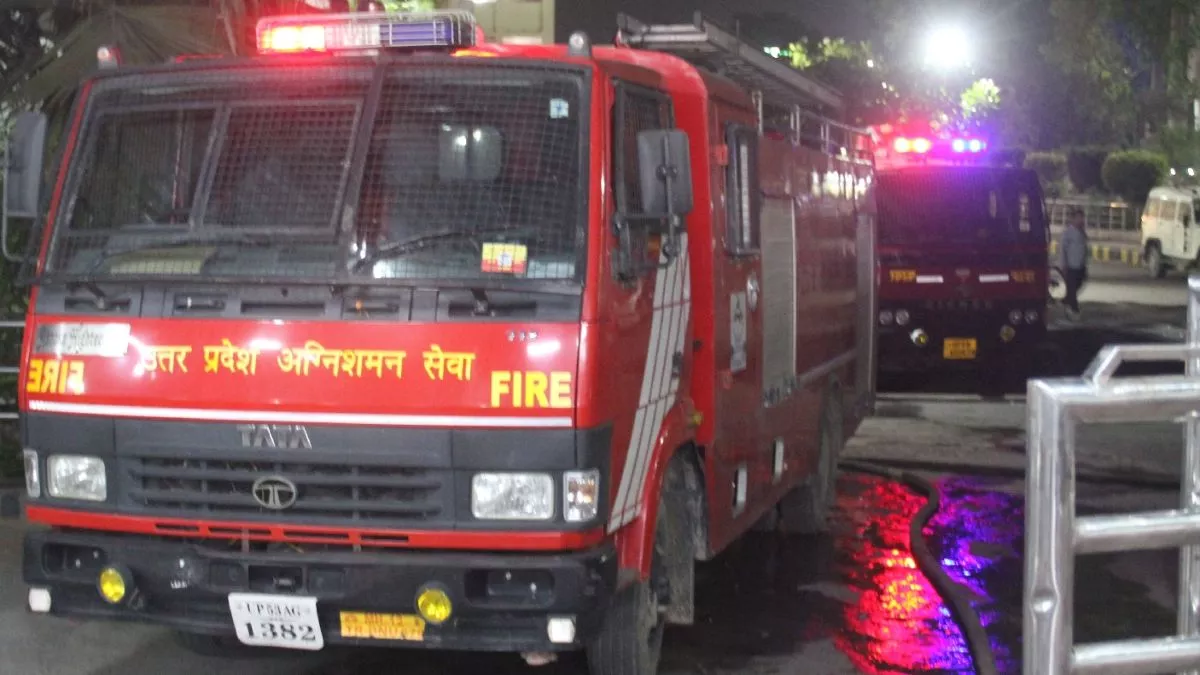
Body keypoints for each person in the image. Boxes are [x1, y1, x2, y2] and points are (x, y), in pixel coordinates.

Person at [1060, 207, 1090, 320]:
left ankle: (1067, 300)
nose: (1081, 220)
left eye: (1082, 218)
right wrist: (1063, 265)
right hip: (1071, 266)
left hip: (1081, 266)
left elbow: (1085, 249)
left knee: (1078, 285)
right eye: (1078, 218)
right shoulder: (1068, 233)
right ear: (1073, 219)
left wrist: (1085, 264)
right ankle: (1074, 310)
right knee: (1072, 288)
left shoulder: (1082, 232)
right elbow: (1063, 250)